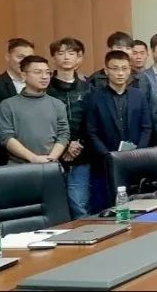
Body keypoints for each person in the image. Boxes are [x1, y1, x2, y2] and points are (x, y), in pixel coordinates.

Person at [84, 50, 152, 213]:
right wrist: (107, 155)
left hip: (134, 161)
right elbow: (91, 132)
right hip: (105, 163)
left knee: (137, 208)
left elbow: (146, 127)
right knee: (106, 208)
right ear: (106, 71)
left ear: (130, 70)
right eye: (115, 68)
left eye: (124, 68)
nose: (120, 73)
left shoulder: (138, 96)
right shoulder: (95, 98)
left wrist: (138, 152)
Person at [46, 37, 92, 219]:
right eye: (61, 53)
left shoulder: (88, 88)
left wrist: (78, 143)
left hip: (82, 154)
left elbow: (92, 121)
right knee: (53, 207)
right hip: (51, 153)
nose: (66, 57)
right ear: (53, 58)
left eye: (71, 53)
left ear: (79, 58)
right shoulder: (46, 88)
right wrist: (64, 145)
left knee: (79, 205)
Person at [0, 56, 70, 164]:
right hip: (19, 166)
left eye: (47, 72)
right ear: (24, 75)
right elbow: (6, 137)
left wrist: (51, 158)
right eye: (37, 72)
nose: (44, 77)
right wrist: (33, 158)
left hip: (51, 165)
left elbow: (63, 134)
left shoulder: (57, 104)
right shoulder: (8, 105)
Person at [0, 38, 35, 167]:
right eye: (20, 57)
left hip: (38, 151)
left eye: (29, 58)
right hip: (4, 155)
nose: (25, 61)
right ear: (8, 57)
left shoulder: (40, 84)